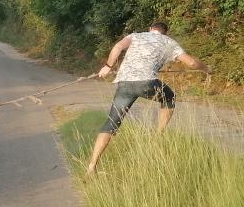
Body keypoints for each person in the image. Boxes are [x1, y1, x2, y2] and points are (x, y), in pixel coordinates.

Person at [86, 21, 211, 173]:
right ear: (165, 32)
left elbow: (118, 47)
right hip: (147, 83)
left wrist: (108, 66)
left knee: (111, 123)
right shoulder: (169, 42)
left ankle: (92, 166)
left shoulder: (135, 36)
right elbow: (191, 63)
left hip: (124, 84)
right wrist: (206, 69)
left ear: (150, 29)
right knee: (169, 98)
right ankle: (158, 135)